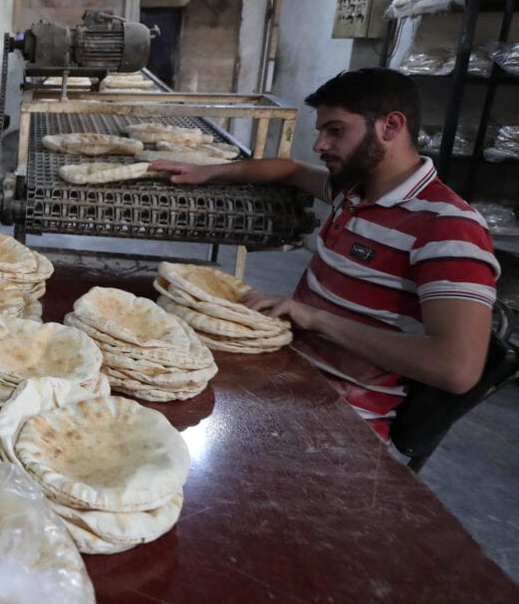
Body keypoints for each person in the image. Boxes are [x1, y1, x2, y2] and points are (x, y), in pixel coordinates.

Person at [150, 67, 499, 439]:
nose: (320, 145)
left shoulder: (447, 227)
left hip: (341, 418)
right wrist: (206, 172)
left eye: (335, 130)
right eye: (321, 132)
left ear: (391, 127)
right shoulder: (354, 192)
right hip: (286, 370)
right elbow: (290, 170)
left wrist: (314, 318)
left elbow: (456, 368)